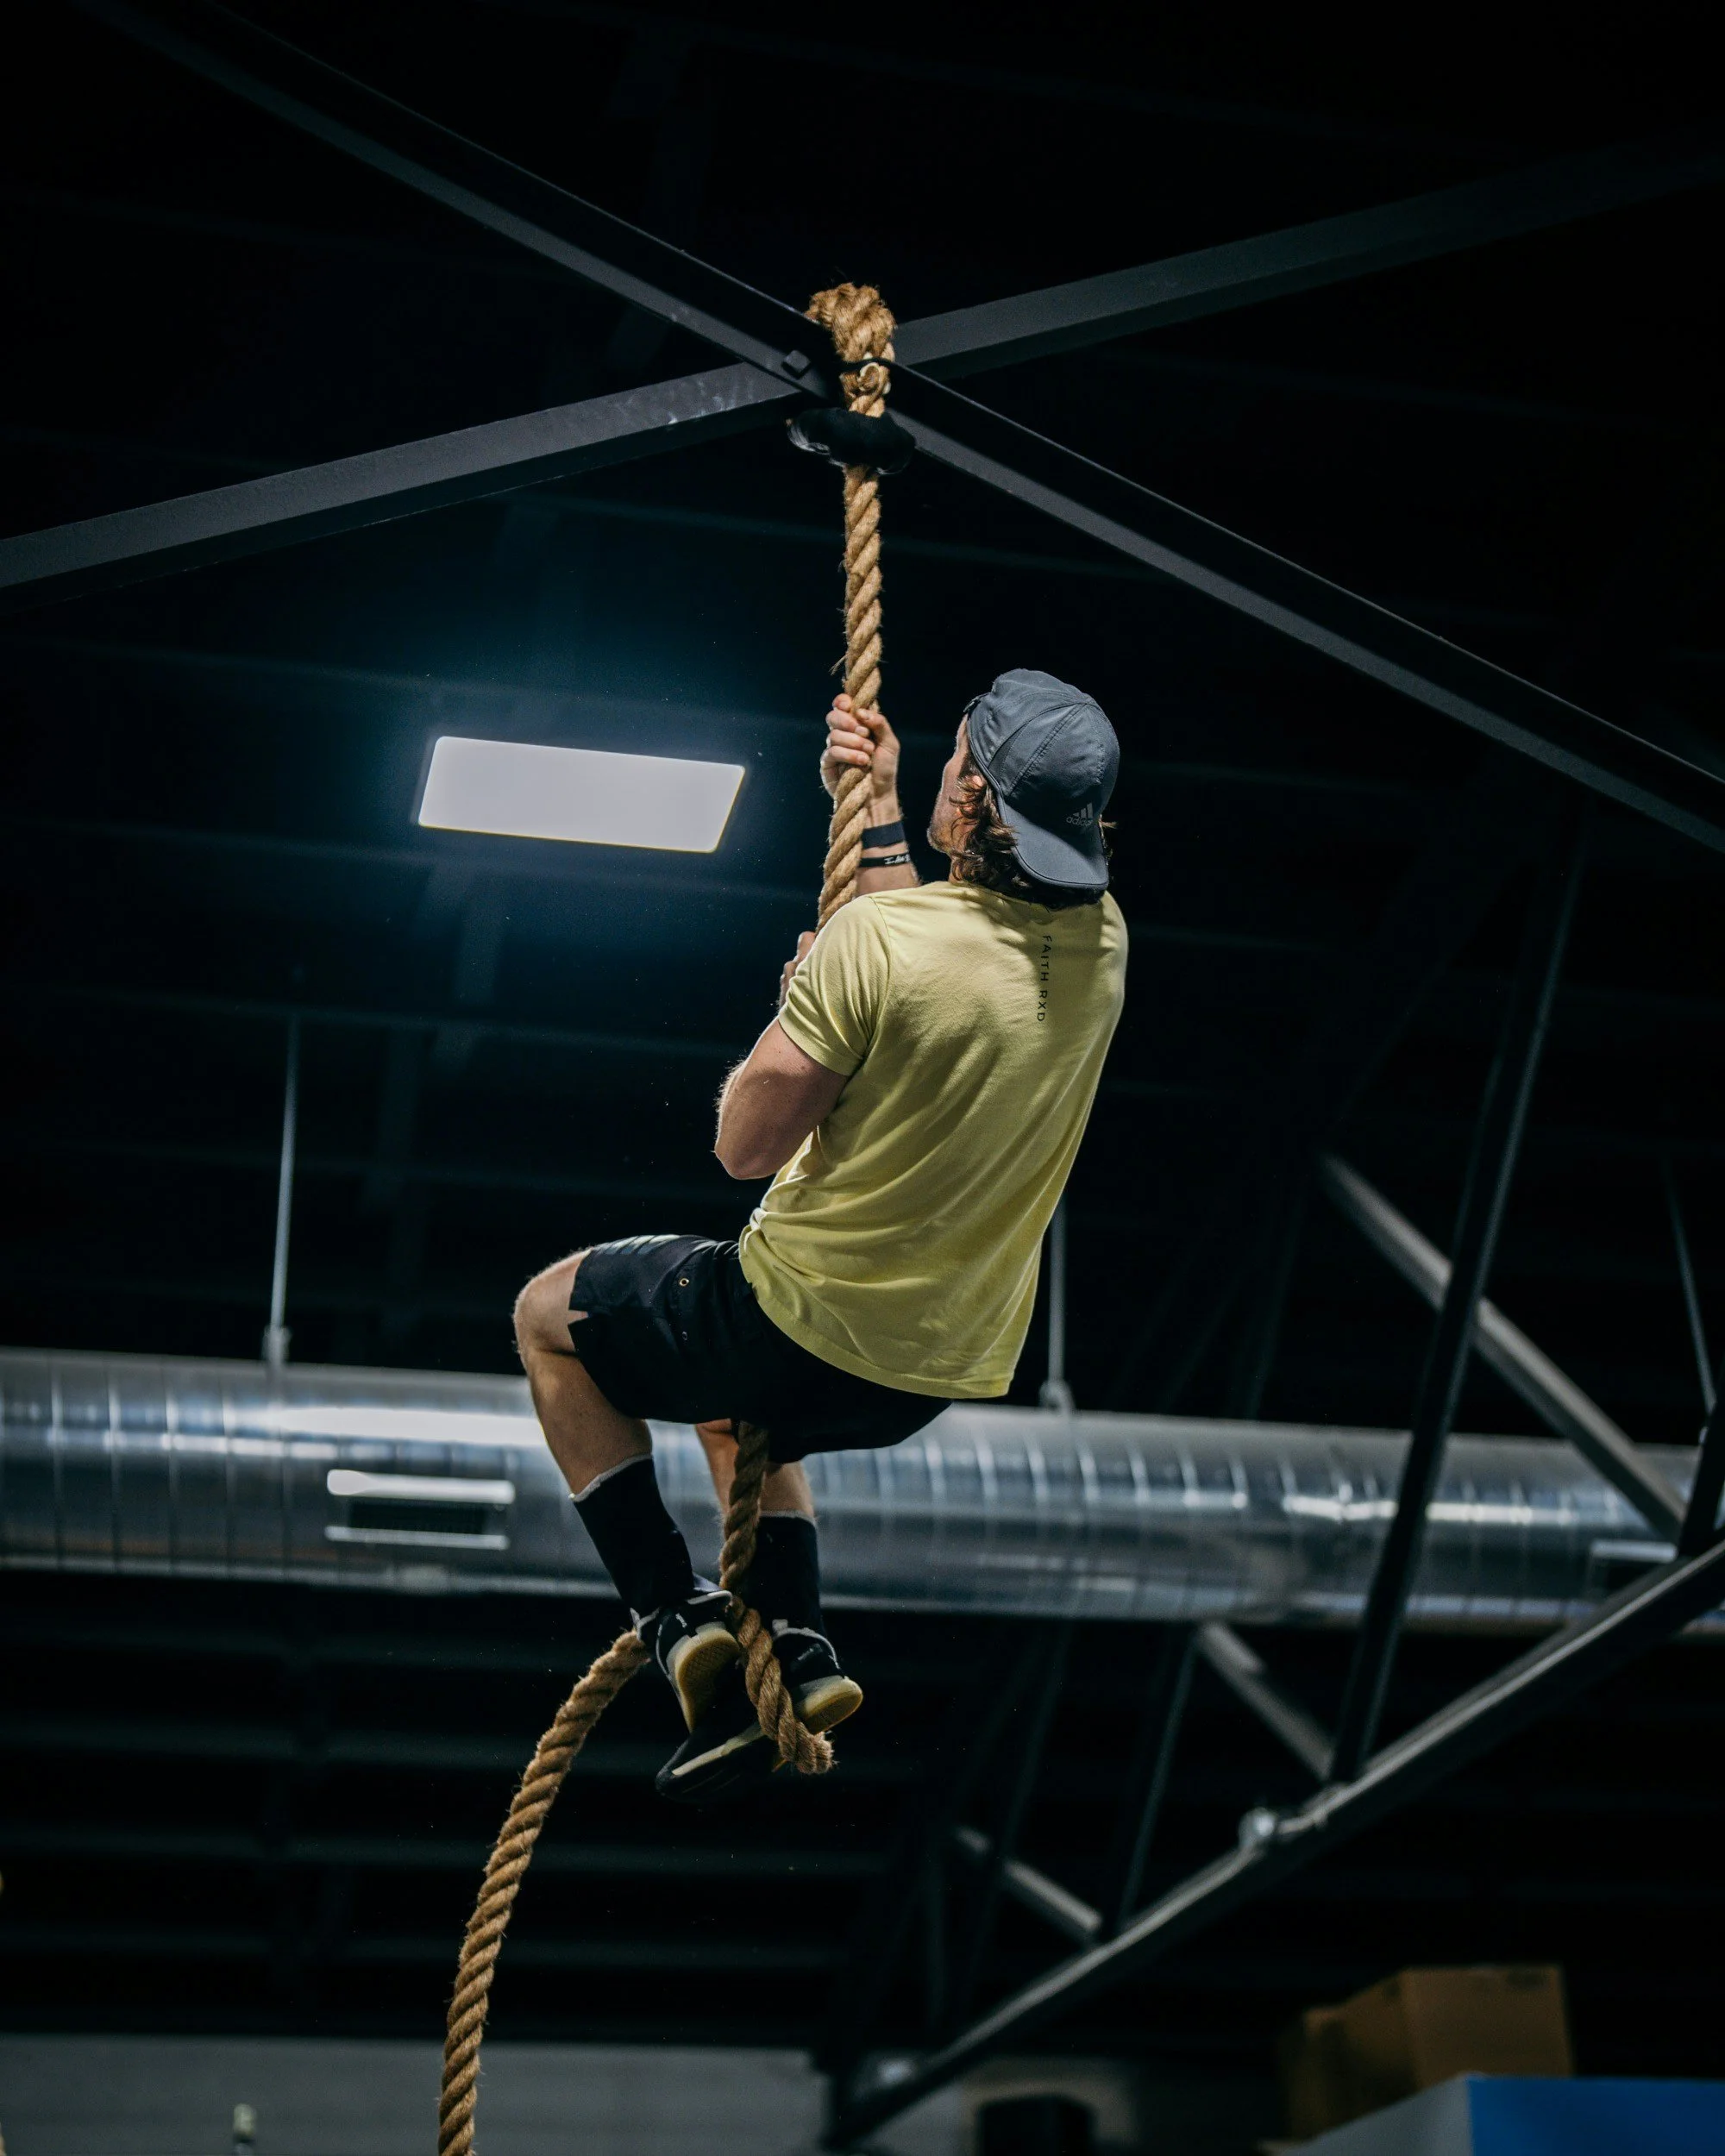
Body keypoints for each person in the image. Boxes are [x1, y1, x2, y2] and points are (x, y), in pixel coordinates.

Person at [512, 669, 1127, 1801]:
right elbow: (917, 951)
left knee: (551, 1318)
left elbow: (745, 1145)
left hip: (789, 1324)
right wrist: (878, 808)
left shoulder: (871, 952)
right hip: (929, 1374)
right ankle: (794, 1646)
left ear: (974, 793)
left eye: (951, 769)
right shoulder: (1102, 948)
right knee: (740, 1416)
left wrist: (795, 999)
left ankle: (673, 1615)